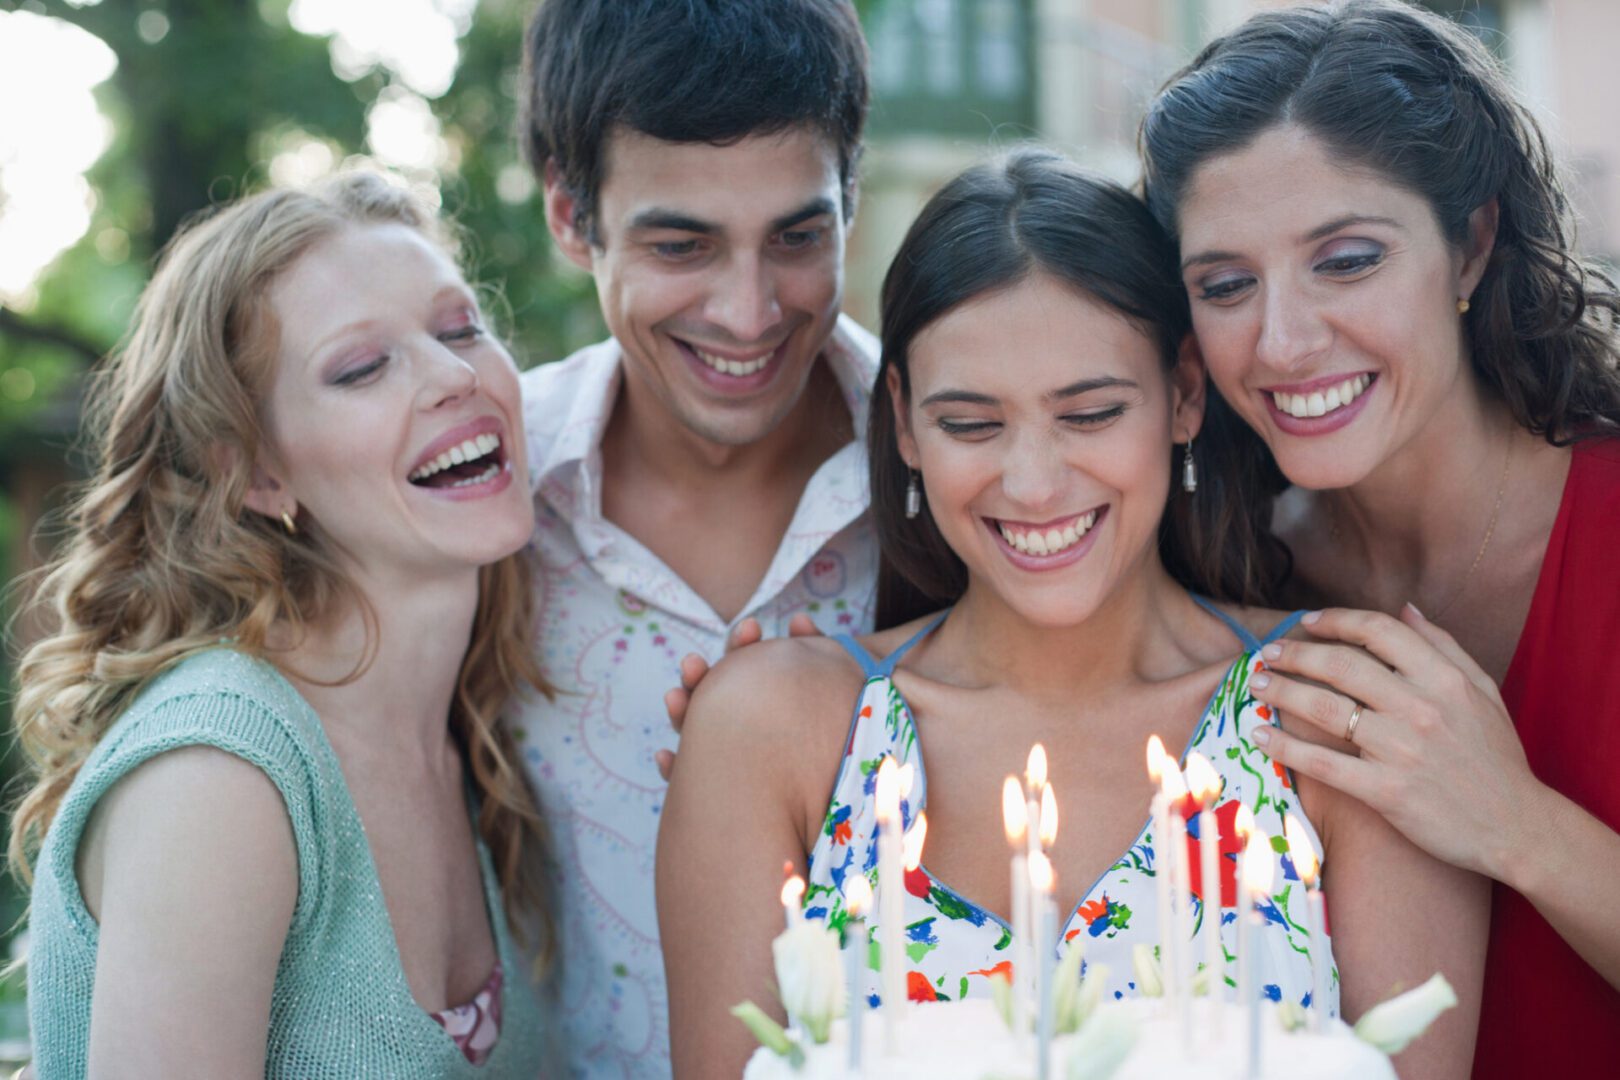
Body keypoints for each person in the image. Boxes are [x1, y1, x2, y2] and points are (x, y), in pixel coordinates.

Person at [657, 149, 1487, 1079]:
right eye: (972, 424)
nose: (1036, 483)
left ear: (1181, 394)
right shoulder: (772, 726)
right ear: (904, 423)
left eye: (1090, 413)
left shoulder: (1342, 710)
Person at [1138, 1, 1620, 1074]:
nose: (1284, 341)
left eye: (1347, 260)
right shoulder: (1206, 569)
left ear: (1471, 247)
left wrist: (1516, 827)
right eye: (1224, 285)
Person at [10, 172, 551, 1076]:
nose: (457, 375)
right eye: (361, 368)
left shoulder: (469, 740)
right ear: (257, 475)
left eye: (460, 329)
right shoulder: (219, 774)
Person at [512, 0, 877, 1074]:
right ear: (571, 218)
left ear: (850, 200)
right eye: (683, 244)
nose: (750, 310)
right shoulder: (485, 492)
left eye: (799, 237)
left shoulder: (968, 474)